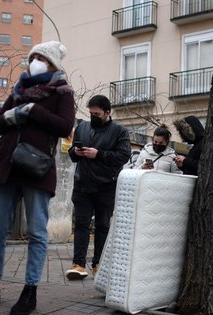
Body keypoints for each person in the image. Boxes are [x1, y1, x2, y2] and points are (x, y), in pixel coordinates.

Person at [0, 41, 75, 315]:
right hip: (7, 167)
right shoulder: (19, 90)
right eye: (32, 57)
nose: (34, 61)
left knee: (36, 233)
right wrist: (13, 114)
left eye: (40, 58)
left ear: (53, 64)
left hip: (37, 169)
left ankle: (30, 290)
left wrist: (34, 111)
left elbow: (65, 126)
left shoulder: (63, 91)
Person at [65, 95, 131, 280]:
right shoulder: (82, 127)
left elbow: (123, 156)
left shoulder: (120, 131)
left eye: (97, 114)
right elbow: (72, 154)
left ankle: (98, 264)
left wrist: (99, 154)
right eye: (91, 113)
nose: (93, 116)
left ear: (108, 113)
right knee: (81, 224)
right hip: (82, 185)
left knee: (102, 226)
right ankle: (78, 264)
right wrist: (76, 152)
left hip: (106, 186)